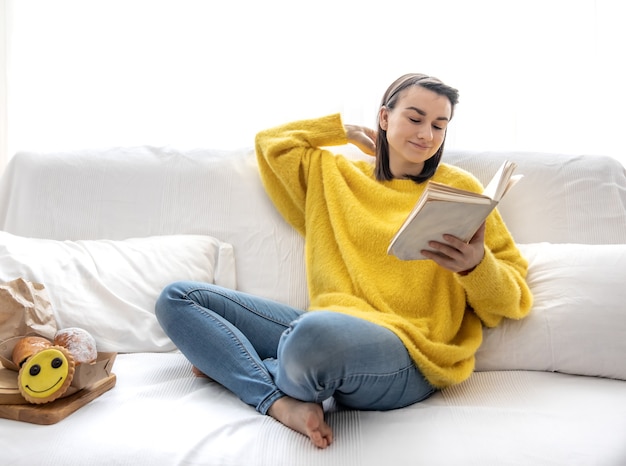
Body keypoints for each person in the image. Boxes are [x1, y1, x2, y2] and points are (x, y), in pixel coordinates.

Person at [155, 73, 533, 449]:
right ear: (384, 119)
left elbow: (513, 303)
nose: (427, 135)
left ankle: (238, 364)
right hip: (325, 331)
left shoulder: (461, 189)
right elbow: (270, 143)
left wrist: (475, 266)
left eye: (439, 125)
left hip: (409, 353)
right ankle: (280, 402)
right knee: (177, 299)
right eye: (415, 119)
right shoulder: (333, 176)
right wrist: (341, 131)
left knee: (310, 337)